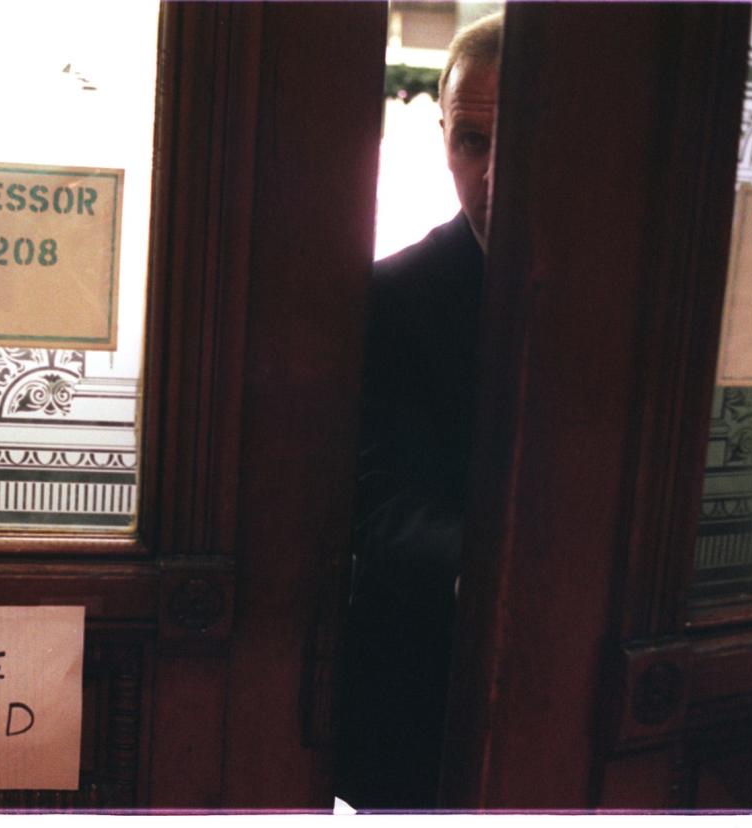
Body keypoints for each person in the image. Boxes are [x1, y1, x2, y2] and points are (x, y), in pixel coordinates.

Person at [336, 11, 502, 810]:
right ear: (442, 135)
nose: (495, 173)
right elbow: (375, 502)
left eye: (521, 142)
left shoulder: (630, 299)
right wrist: (515, 576)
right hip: (418, 697)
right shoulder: (392, 295)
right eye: (472, 142)